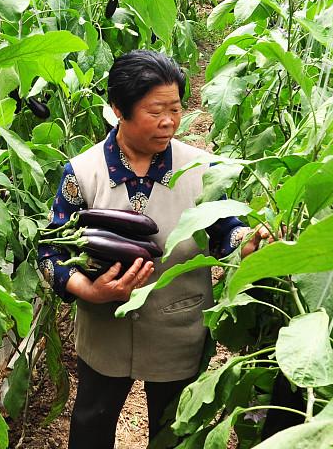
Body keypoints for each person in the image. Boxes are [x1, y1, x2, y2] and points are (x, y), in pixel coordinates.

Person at [38, 50, 271, 449]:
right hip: (104, 326)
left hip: (177, 326)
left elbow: (224, 233)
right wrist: (88, 290)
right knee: (92, 422)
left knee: (172, 431)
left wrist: (246, 243)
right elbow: (49, 254)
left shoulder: (203, 170)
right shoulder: (83, 172)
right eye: (154, 111)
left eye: (175, 109)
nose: (168, 123)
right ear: (118, 109)